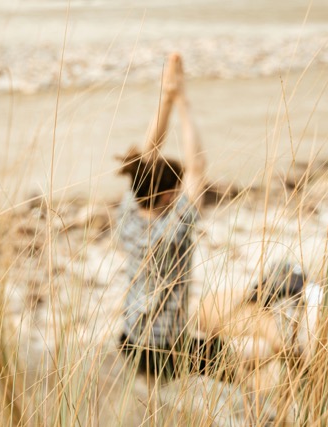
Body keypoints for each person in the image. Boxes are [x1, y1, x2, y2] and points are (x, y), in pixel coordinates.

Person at [117, 53, 231, 380]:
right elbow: (198, 167)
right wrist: (182, 101)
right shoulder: (172, 230)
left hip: (130, 340)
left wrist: (165, 97)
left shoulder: (129, 211)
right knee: (239, 354)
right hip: (164, 353)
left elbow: (147, 155)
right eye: (177, 192)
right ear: (168, 197)